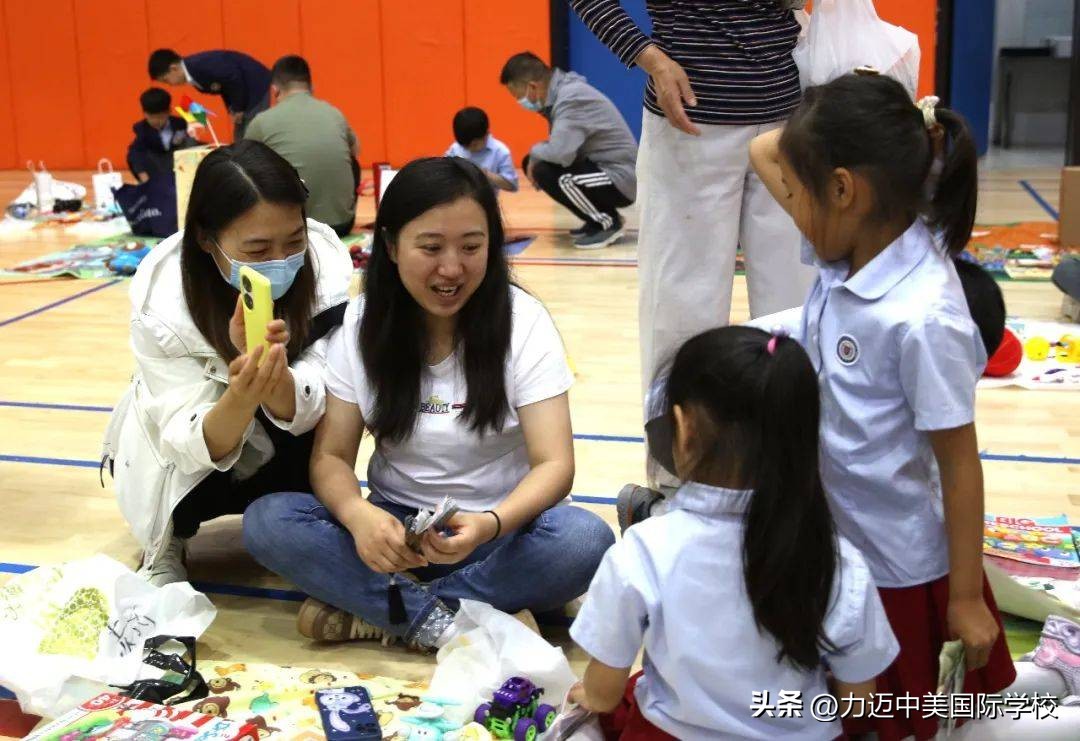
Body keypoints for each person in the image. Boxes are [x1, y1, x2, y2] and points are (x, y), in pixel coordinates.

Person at [242, 157, 614, 650]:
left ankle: (389, 612)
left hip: (495, 528)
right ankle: (461, 619)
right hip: (396, 528)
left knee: (586, 540)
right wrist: (358, 516)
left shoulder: (523, 321)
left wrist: (491, 524)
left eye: (472, 247)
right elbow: (331, 457)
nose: (452, 268)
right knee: (268, 521)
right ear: (393, 247)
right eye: (431, 247)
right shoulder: (361, 324)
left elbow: (555, 465)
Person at [749, 73, 1016, 739]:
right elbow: (763, 148)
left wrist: (961, 595)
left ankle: (1052, 698)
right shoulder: (850, 243)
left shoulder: (925, 315)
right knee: (855, 712)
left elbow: (959, 464)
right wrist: (847, 112)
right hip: (836, 542)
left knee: (924, 720)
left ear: (844, 189)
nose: (794, 209)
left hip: (902, 566)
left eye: (804, 193)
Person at [569, 326, 898, 739]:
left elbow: (603, 693)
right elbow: (859, 702)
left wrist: (591, 695)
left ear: (682, 430)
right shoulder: (836, 558)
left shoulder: (644, 550)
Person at [101, 140, 353, 586]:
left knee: (330, 417)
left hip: (283, 430)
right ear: (205, 238)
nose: (281, 262)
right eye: (257, 250)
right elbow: (184, 436)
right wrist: (242, 391)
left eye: (294, 241)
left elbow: (322, 392)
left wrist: (275, 380)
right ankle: (168, 541)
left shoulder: (327, 267)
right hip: (195, 448)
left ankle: (303, 518)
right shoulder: (163, 304)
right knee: (180, 458)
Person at [568, 0, 815, 402]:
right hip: (689, 124)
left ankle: (791, 456)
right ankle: (679, 458)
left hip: (785, 117)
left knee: (796, 307)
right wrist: (650, 58)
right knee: (680, 314)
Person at [500, 52, 637, 249]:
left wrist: (534, 153)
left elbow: (560, 154)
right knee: (539, 165)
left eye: (518, 96)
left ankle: (608, 223)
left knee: (554, 174)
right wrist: (533, 157)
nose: (520, 103)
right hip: (602, 169)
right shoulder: (561, 94)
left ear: (532, 87)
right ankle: (594, 218)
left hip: (622, 177)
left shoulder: (571, 98)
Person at [246, 55, 360, 237]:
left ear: (274, 91)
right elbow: (355, 152)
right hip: (342, 225)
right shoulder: (335, 114)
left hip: (293, 231)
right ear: (311, 88)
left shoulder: (261, 122)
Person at [149, 48, 272, 139]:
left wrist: (238, 108)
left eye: (166, 80)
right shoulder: (193, 74)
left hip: (256, 88)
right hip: (243, 95)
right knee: (240, 139)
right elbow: (224, 86)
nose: (169, 84)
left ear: (174, 68)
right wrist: (232, 109)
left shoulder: (200, 65)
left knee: (253, 139)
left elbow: (233, 77)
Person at [127, 88, 201, 182]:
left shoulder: (180, 124)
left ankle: (191, 180)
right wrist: (144, 178)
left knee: (192, 142)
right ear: (145, 114)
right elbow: (136, 154)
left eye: (160, 117)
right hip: (155, 168)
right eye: (151, 117)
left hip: (175, 166)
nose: (156, 121)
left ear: (168, 111)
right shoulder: (142, 130)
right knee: (133, 153)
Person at [445, 107, 518, 192]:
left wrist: (485, 175)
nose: (470, 149)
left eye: (474, 145)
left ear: (486, 134)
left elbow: (512, 185)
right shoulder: (455, 149)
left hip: (486, 202)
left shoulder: (500, 151)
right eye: (465, 147)